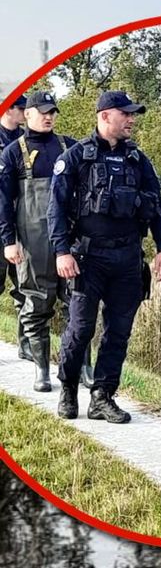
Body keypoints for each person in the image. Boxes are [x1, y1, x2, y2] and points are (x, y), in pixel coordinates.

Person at [48, 90, 161, 423]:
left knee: (119, 331)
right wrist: (61, 250)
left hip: (129, 259)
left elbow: (157, 206)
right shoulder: (75, 157)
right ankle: (68, 388)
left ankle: (102, 396)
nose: (131, 120)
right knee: (80, 329)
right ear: (105, 116)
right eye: (125, 114)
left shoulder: (139, 160)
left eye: (132, 115)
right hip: (88, 259)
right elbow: (56, 208)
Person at [0, 91, 78, 392]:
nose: (49, 117)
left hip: (67, 238)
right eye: (42, 112)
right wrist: (9, 240)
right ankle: (42, 370)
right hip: (31, 239)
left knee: (75, 301)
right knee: (36, 302)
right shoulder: (12, 153)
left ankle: (79, 366)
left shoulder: (68, 147)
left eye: (53, 112)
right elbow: (4, 203)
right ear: (27, 115)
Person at [1, 93, 28, 357]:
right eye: (22, 108)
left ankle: (26, 344)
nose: (26, 112)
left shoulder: (26, 141)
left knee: (24, 286)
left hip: (23, 222)